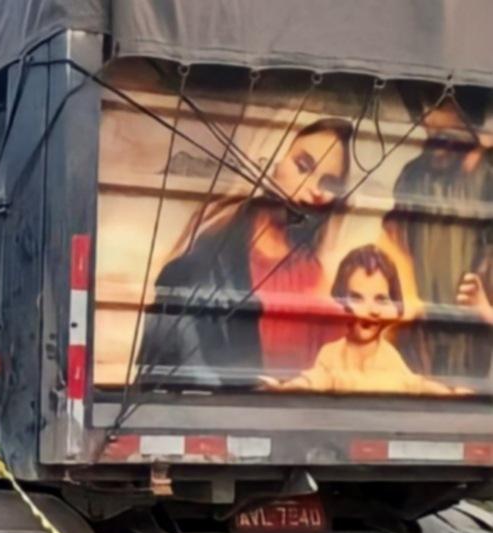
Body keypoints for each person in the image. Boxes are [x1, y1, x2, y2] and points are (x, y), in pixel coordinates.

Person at [136, 118, 353, 379]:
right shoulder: (210, 252)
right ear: (271, 159)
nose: (314, 190)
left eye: (329, 183)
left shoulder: (314, 274)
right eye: (303, 166)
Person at [384, 89, 493, 379]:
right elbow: (396, 239)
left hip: (469, 336)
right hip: (421, 333)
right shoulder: (413, 176)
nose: (439, 147)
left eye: (449, 137)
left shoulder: (486, 178)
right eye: (433, 137)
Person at [275, 245, 464, 396]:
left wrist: (451, 393)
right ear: (341, 301)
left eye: (381, 299)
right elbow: (314, 380)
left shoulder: (390, 358)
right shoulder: (331, 354)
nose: (370, 310)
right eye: (357, 298)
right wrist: (288, 387)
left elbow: (415, 384)